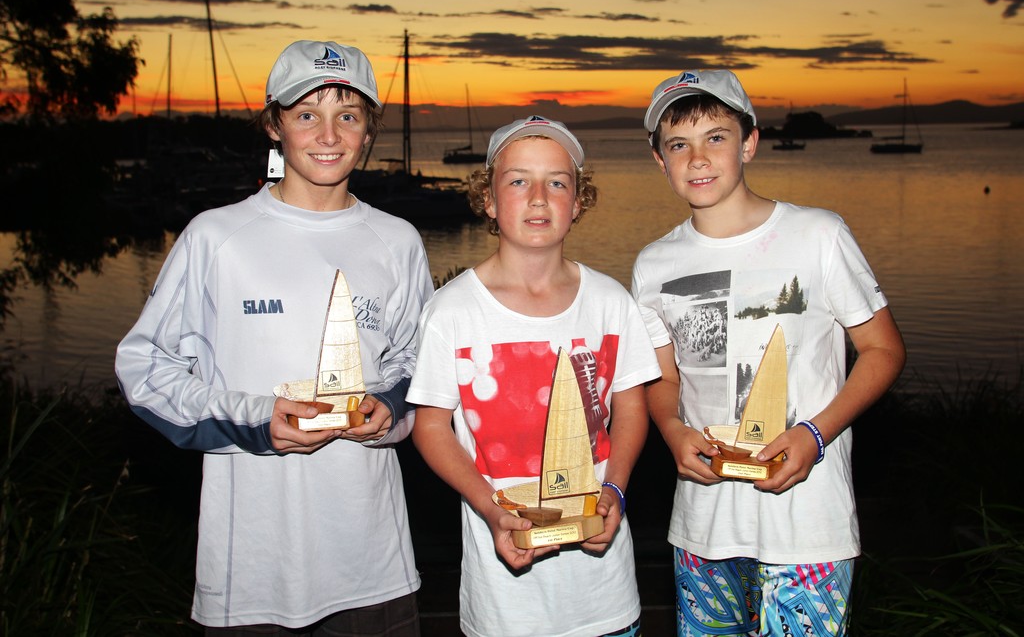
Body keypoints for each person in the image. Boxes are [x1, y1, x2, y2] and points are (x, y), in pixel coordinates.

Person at [115, 40, 431, 634]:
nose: (328, 134)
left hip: (373, 568)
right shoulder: (216, 237)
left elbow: (419, 364)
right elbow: (145, 367)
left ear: (369, 132)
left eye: (348, 115)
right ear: (273, 125)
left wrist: (388, 408)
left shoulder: (398, 241)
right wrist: (256, 418)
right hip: (249, 577)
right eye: (306, 114)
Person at [631, 70, 906, 636]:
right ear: (659, 160)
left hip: (807, 522)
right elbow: (664, 381)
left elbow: (882, 350)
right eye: (678, 144)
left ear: (749, 142)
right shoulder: (654, 264)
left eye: (716, 136)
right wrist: (672, 430)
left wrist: (815, 433)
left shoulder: (817, 234)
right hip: (704, 524)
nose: (698, 158)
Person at [407, 116, 660, 637]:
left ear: (579, 201)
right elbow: (430, 426)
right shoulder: (452, 311)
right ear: (490, 201)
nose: (539, 197)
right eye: (518, 180)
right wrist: (492, 509)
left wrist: (614, 489)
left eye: (558, 182)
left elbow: (631, 409)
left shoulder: (612, 302)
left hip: (605, 597)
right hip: (503, 607)